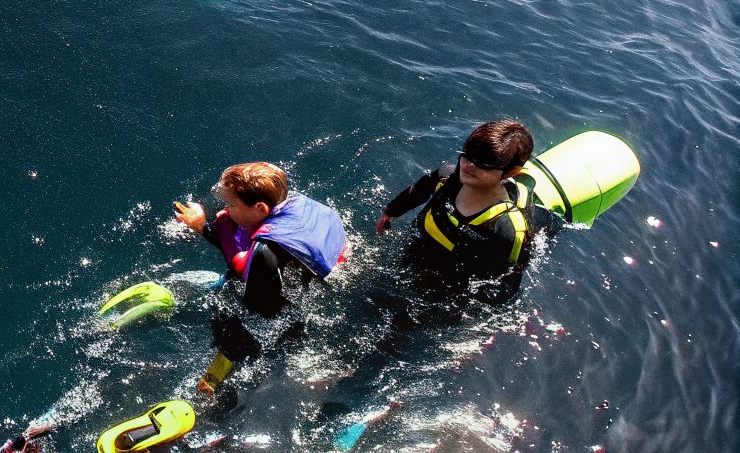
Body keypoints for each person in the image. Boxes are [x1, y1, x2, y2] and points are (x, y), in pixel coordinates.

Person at [173, 162, 349, 392]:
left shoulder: (265, 253)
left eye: (231, 204)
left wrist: (203, 229)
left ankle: (209, 389)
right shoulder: (293, 202)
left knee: (229, 322)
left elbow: (258, 307)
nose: (223, 210)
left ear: (260, 208)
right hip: (312, 269)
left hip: (273, 307)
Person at [375, 120, 559, 306]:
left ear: (512, 171)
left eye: (484, 164)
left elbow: (505, 286)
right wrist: (390, 212)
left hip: (448, 288)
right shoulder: (450, 177)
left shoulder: (506, 230)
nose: (468, 166)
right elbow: (423, 187)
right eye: (467, 155)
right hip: (424, 254)